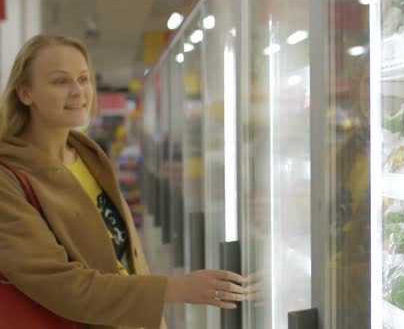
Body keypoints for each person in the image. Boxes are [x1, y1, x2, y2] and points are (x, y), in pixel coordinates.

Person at [0, 34, 245, 329]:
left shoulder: (87, 154)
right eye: (60, 81)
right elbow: (57, 282)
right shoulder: (8, 177)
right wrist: (174, 288)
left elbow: (125, 256)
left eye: (83, 78)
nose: (78, 91)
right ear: (25, 93)